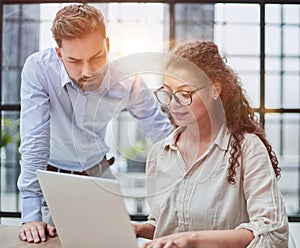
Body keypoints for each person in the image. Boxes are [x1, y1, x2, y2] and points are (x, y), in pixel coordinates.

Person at [17, 3, 173, 243]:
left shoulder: (128, 77)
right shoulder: (39, 69)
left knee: (118, 241)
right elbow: (35, 140)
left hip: (99, 173)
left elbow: (160, 130)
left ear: (107, 45)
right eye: (75, 61)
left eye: (96, 57)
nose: (87, 70)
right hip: (53, 179)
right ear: (59, 54)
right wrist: (30, 214)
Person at [133, 40, 289, 247]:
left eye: (184, 93)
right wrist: (139, 229)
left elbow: (272, 232)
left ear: (214, 90)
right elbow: (164, 225)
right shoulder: (159, 154)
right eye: (168, 93)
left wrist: (192, 240)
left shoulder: (247, 149)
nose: (174, 104)